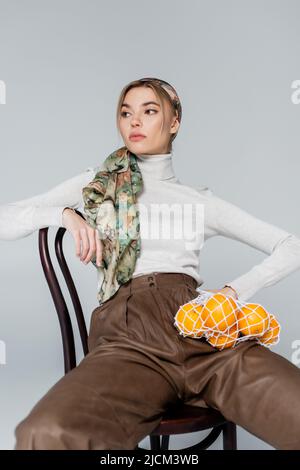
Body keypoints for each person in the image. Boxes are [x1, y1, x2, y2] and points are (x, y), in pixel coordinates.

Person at [1, 77, 300, 450]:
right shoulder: (98, 184)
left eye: (149, 111)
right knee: (45, 433)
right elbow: (5, 217)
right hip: (130, 339)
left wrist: (231, 293)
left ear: (174, 122)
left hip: (202, 333)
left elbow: (292, 246)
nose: (134, 122)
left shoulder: (199, 201)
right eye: (126, 112)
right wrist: (65, 215)